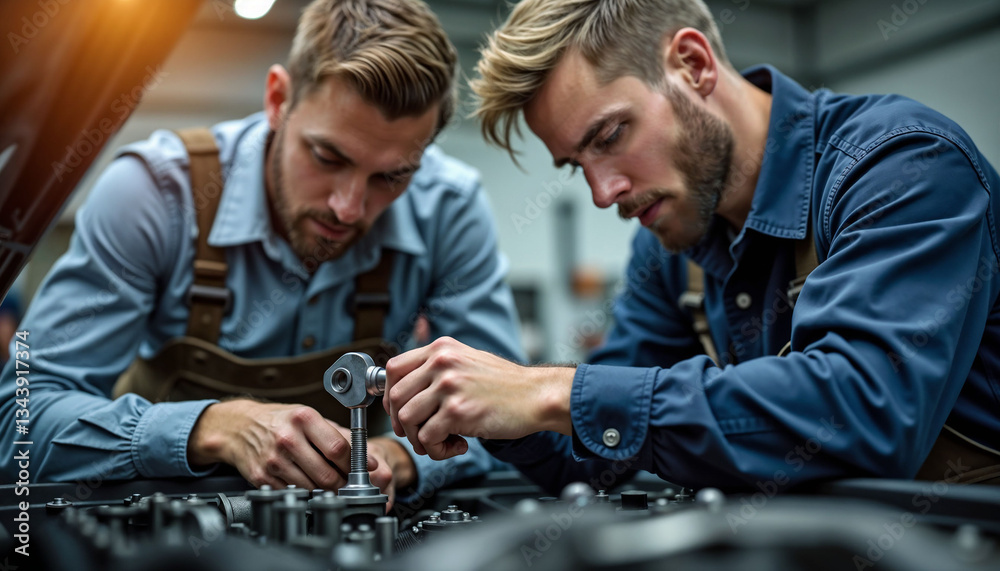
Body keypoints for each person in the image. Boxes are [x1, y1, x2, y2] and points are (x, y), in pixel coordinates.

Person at [382, 0, 1000, 491]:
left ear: (694, 65)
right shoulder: (672, 246)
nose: (603, 193)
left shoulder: (900, 168)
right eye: (576, 165)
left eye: (610, 135)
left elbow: (863, 413)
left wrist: (550, 392)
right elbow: (598, 458)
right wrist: (492, 405)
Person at [0, 0, 523, 504]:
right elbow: (20, 421)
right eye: (327, 156)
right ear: (277, 100)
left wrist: (400, 459)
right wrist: (206, 427)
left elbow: (509, 425)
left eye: (392, 175)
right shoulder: (156, 193)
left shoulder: (450, 210)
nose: (348, 207)